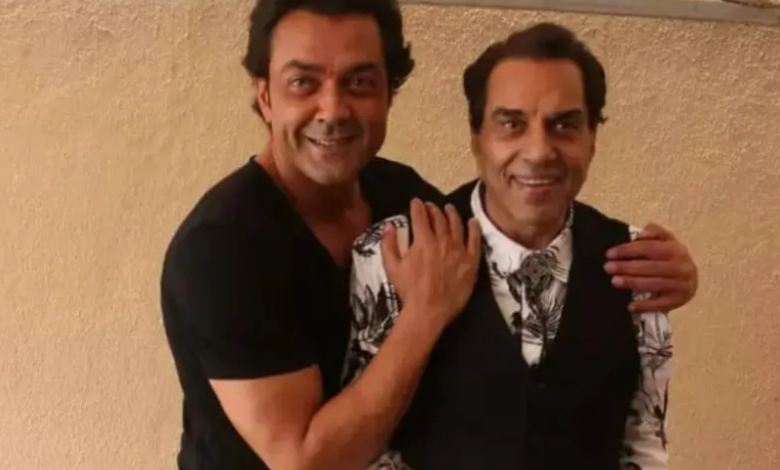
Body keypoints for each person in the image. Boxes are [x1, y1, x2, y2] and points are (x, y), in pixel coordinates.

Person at [159, 1, 697, 469]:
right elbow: (306, 462)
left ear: (389, 94)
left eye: (360, 81)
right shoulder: (220, 251)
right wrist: (425, 314)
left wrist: (671, 273)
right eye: (303, 82)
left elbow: (505, 231)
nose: (333, 109)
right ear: (265, 96)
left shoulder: (401, 196)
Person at [345, 22, 682, 470]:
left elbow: (643, 443)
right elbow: (368, 451)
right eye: (511, 124)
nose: (539, 151)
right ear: (477, 137)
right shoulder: (392, 252)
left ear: (592, 139)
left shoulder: (639, 262)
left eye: (564, 125)